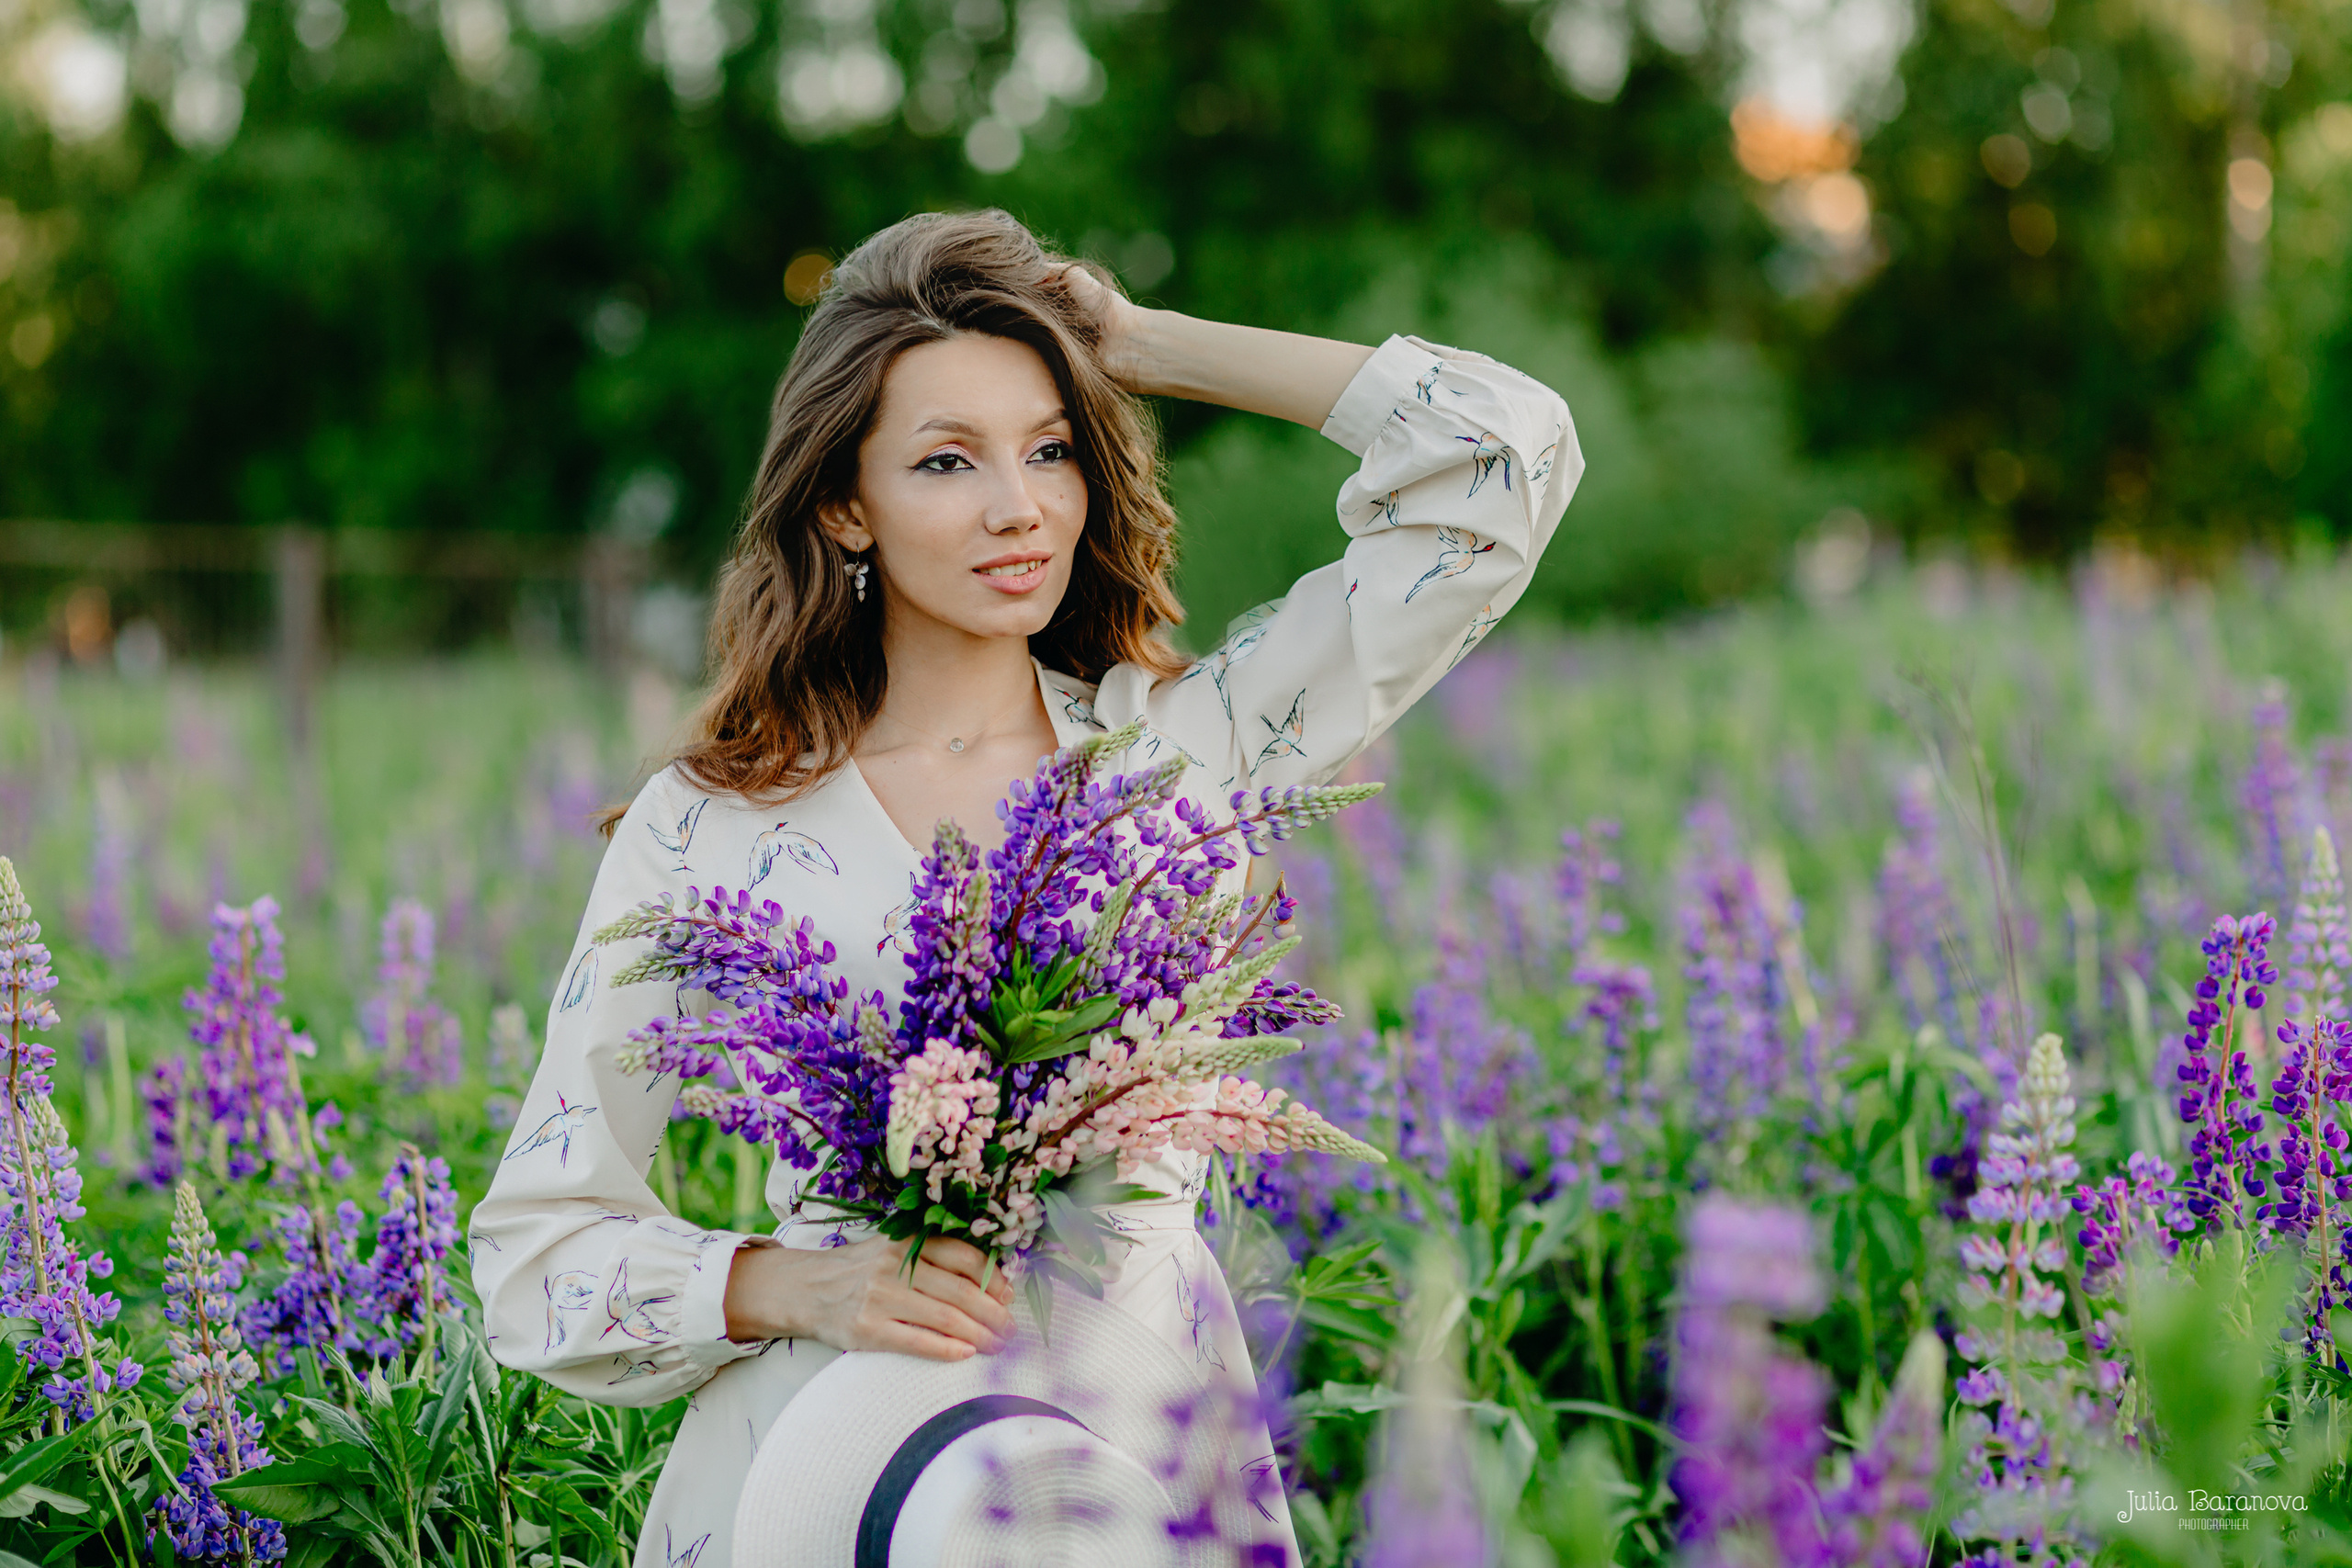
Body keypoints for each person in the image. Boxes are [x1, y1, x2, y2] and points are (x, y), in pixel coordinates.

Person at [469, 207, 1582, 1568]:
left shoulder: (1183, 752)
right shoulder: (711, 825)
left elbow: (1505, 458)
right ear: (844, 505)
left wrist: (1142, 345)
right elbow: (538, 1256)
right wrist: (797, 1284)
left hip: (1138, 1430)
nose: (1021, 506)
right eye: (947, 460)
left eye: (1050, 448)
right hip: (838, 1461)